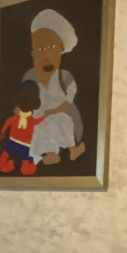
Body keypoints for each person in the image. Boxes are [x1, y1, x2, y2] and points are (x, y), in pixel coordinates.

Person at [24, 8, 85, 166]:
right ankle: (44, 155)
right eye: (40, 49)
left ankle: (72, 149)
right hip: (39, 116)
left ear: (61, 49)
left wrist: (53, 111)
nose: (45, 54)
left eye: (51, 47)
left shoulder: (64, 77)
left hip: (60, 114)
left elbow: (68, 102)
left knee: (59, 123)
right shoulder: (31, 76)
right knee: (38, 129)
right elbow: (24, 97)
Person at [0, 80, 42, 176]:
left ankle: (22, 167)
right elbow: (8, 121)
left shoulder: (21, 118)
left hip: (20, 142)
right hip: (19, 142)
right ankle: (23, 167)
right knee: (17, 157)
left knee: (10, 155)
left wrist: (3, 132)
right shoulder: (22, 118)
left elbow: (8, 122)